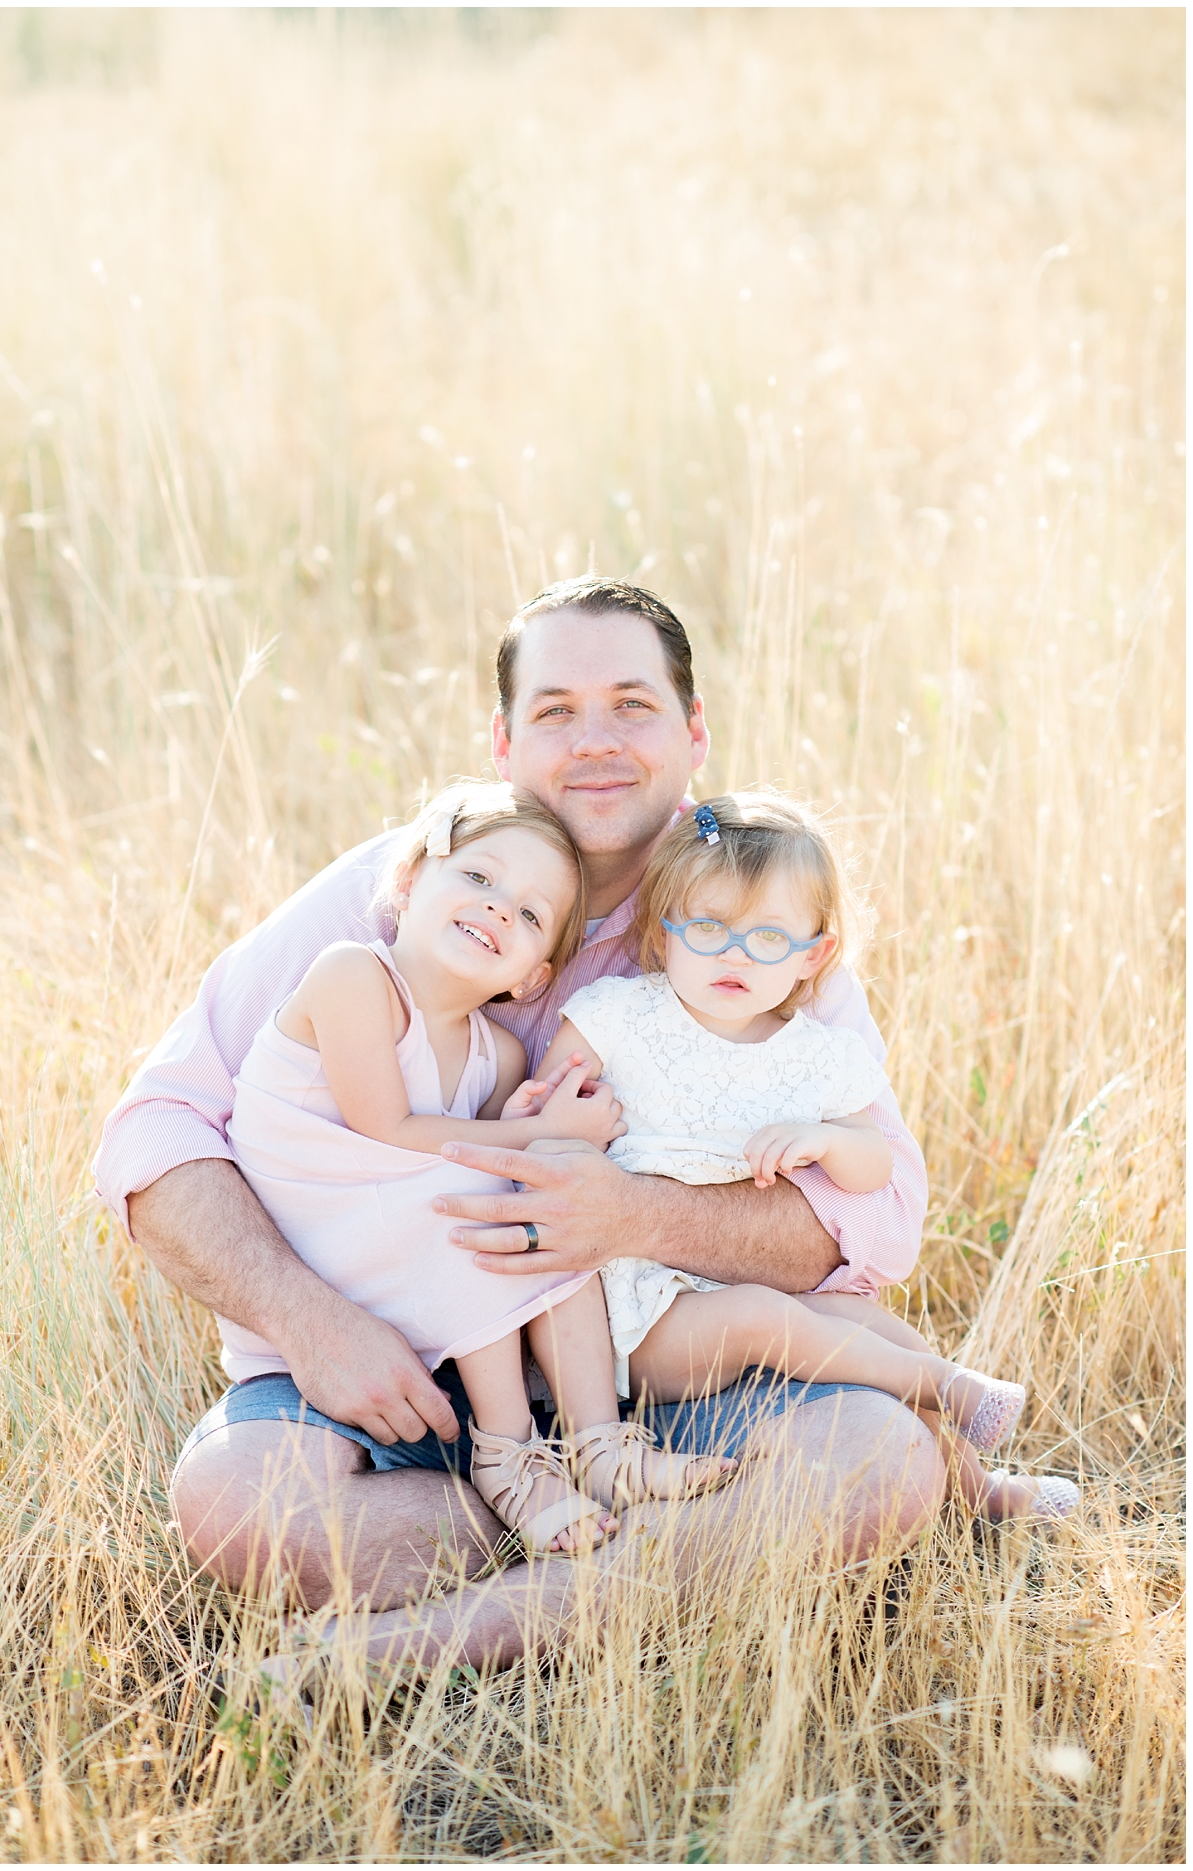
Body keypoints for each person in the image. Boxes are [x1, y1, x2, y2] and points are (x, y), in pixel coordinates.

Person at [95, 575, 944, 1674]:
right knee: (238, 1504)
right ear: (502, 739)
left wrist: (633, 1215)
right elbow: (158, 1130)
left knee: (874, 1459)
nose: (594, 741)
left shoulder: (751, 904)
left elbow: (870, 1218)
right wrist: (305, 1318)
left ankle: (415, 1643)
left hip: (650, 1371)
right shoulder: (408, 886)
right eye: (554, 711)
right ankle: (627, 1542)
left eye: (632, 705)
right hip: (396, 1370)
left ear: (693, 734)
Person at [221, 780, 736, 1558]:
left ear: (531, 975)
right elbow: (388, 1130)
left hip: (396, 1244)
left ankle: (600, 1445)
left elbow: (496, 1151)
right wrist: (537, 1138)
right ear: (410, 882)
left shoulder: (496, 1053)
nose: (499, 906)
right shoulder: (354, 976)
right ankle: (508, 1456)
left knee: (552, 1196)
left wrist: (556, 1136)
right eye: (478, 877)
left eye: (530, 915)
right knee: (483, 1192)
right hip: (319, 1233)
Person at [546, 788, 1073, 1520]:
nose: (734, 951)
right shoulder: (616, 1016)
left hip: (767, 1291)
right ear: (663, 935)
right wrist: (570, 1120)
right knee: (765, 1315)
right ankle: (944, 1381)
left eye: (768, 937)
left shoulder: (817, 1057)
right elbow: (540, 1112)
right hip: (643, 1315)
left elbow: (873, 1166)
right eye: (708, 927)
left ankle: (979, 1489)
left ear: (813, 954)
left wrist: (826, 1139)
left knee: (874, 1327)